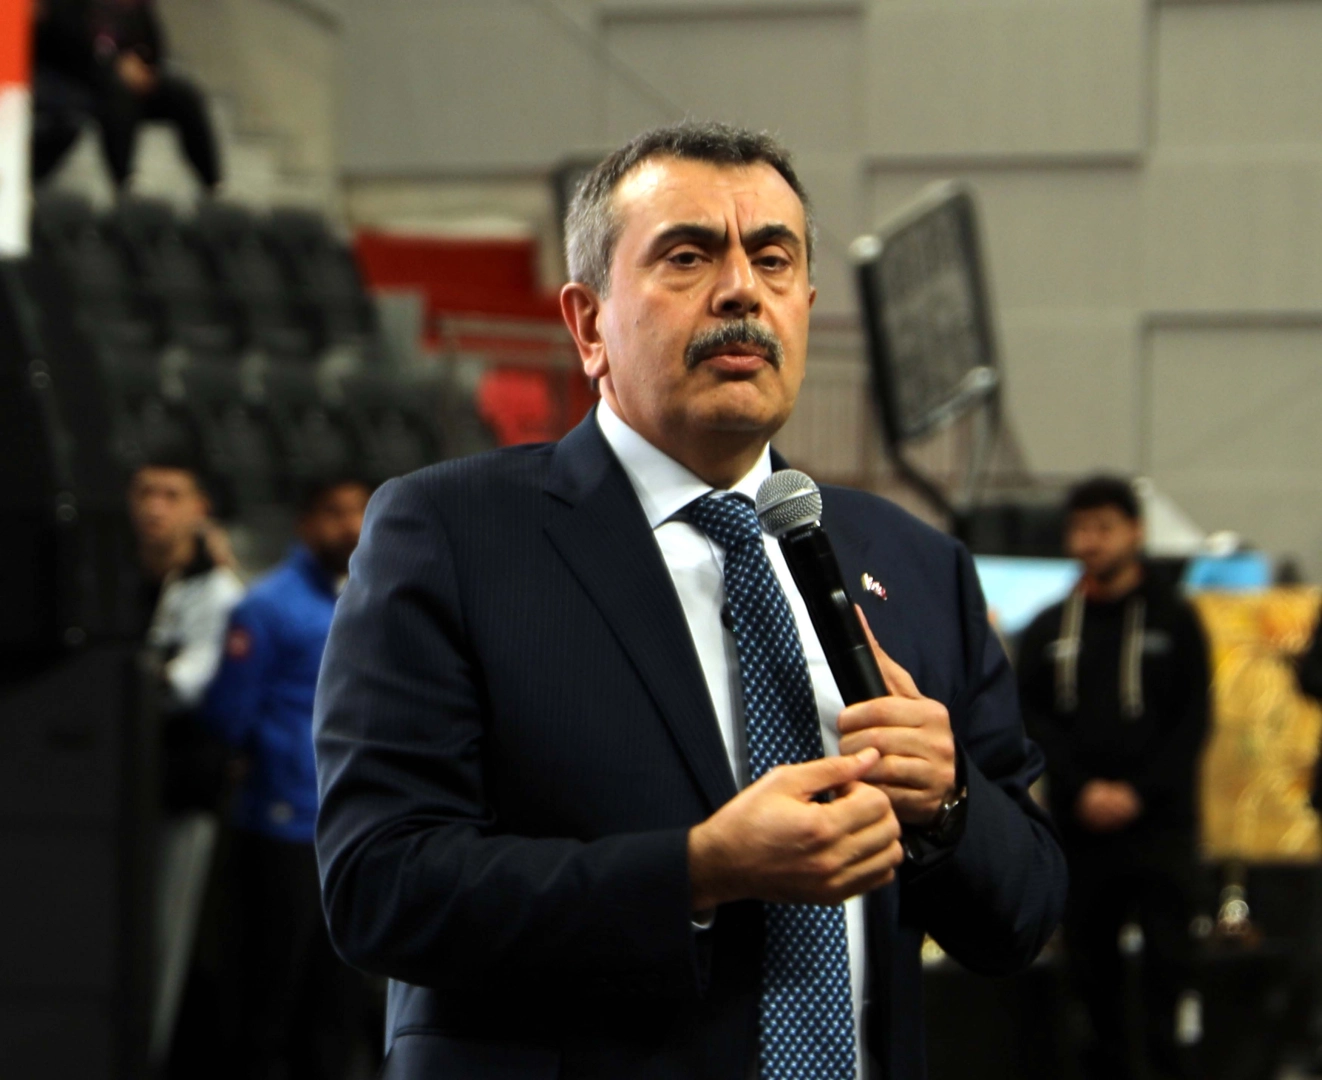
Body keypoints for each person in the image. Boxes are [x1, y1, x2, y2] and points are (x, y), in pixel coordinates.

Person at [313, 121, 1067, 1080]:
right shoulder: (453, 534)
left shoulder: (915, 565)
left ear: (805, 306)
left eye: (773, 259)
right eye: (687, 256)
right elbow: (379, 887)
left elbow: (1025, 914)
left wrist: (949, 806)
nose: (742, 289)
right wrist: (699, 869)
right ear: (589, 324)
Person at [1017, 476, 1210, 1080]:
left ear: (1136, 532)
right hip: (1080, 830)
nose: (1090, 541)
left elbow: (1192, 721)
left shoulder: (1177, 620)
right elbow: (1031, 719)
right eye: (1079, 528)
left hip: (1161, 829)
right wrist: (1082, 789)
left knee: (1169, 968)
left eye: (1104, 527)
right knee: (1089, 974)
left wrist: (1137, 792)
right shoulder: (1049, 627)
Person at [203, 476, 374, 1080]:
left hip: (353, 828)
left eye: (360, 510)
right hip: (283, 827)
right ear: (304, 522)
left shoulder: (375, 597)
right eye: (334, 512)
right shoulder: (267, 607)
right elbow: (229, 715)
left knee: (340, 995)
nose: (350, 525)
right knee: (273, 989)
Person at [126, 452, 245, 1065]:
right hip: (109, 785)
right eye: (145, 492)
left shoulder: (216, 590)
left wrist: (134, 677)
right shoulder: (114, 576)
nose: (154, 508)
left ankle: (146, 1058)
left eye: (171, 495)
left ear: (200, 508)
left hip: (179, 790)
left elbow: (187, 683)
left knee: (160, 942)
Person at [32, 0, 222, 193]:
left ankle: (213, 185)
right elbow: (66, 45)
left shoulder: (135, 8)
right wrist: (115, 65)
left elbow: (154, 47)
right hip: (83, 81)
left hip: (133, 80)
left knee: (185, 95)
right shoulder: (70, 6)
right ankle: (124, 182)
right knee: (118, 94)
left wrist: (142, 67)